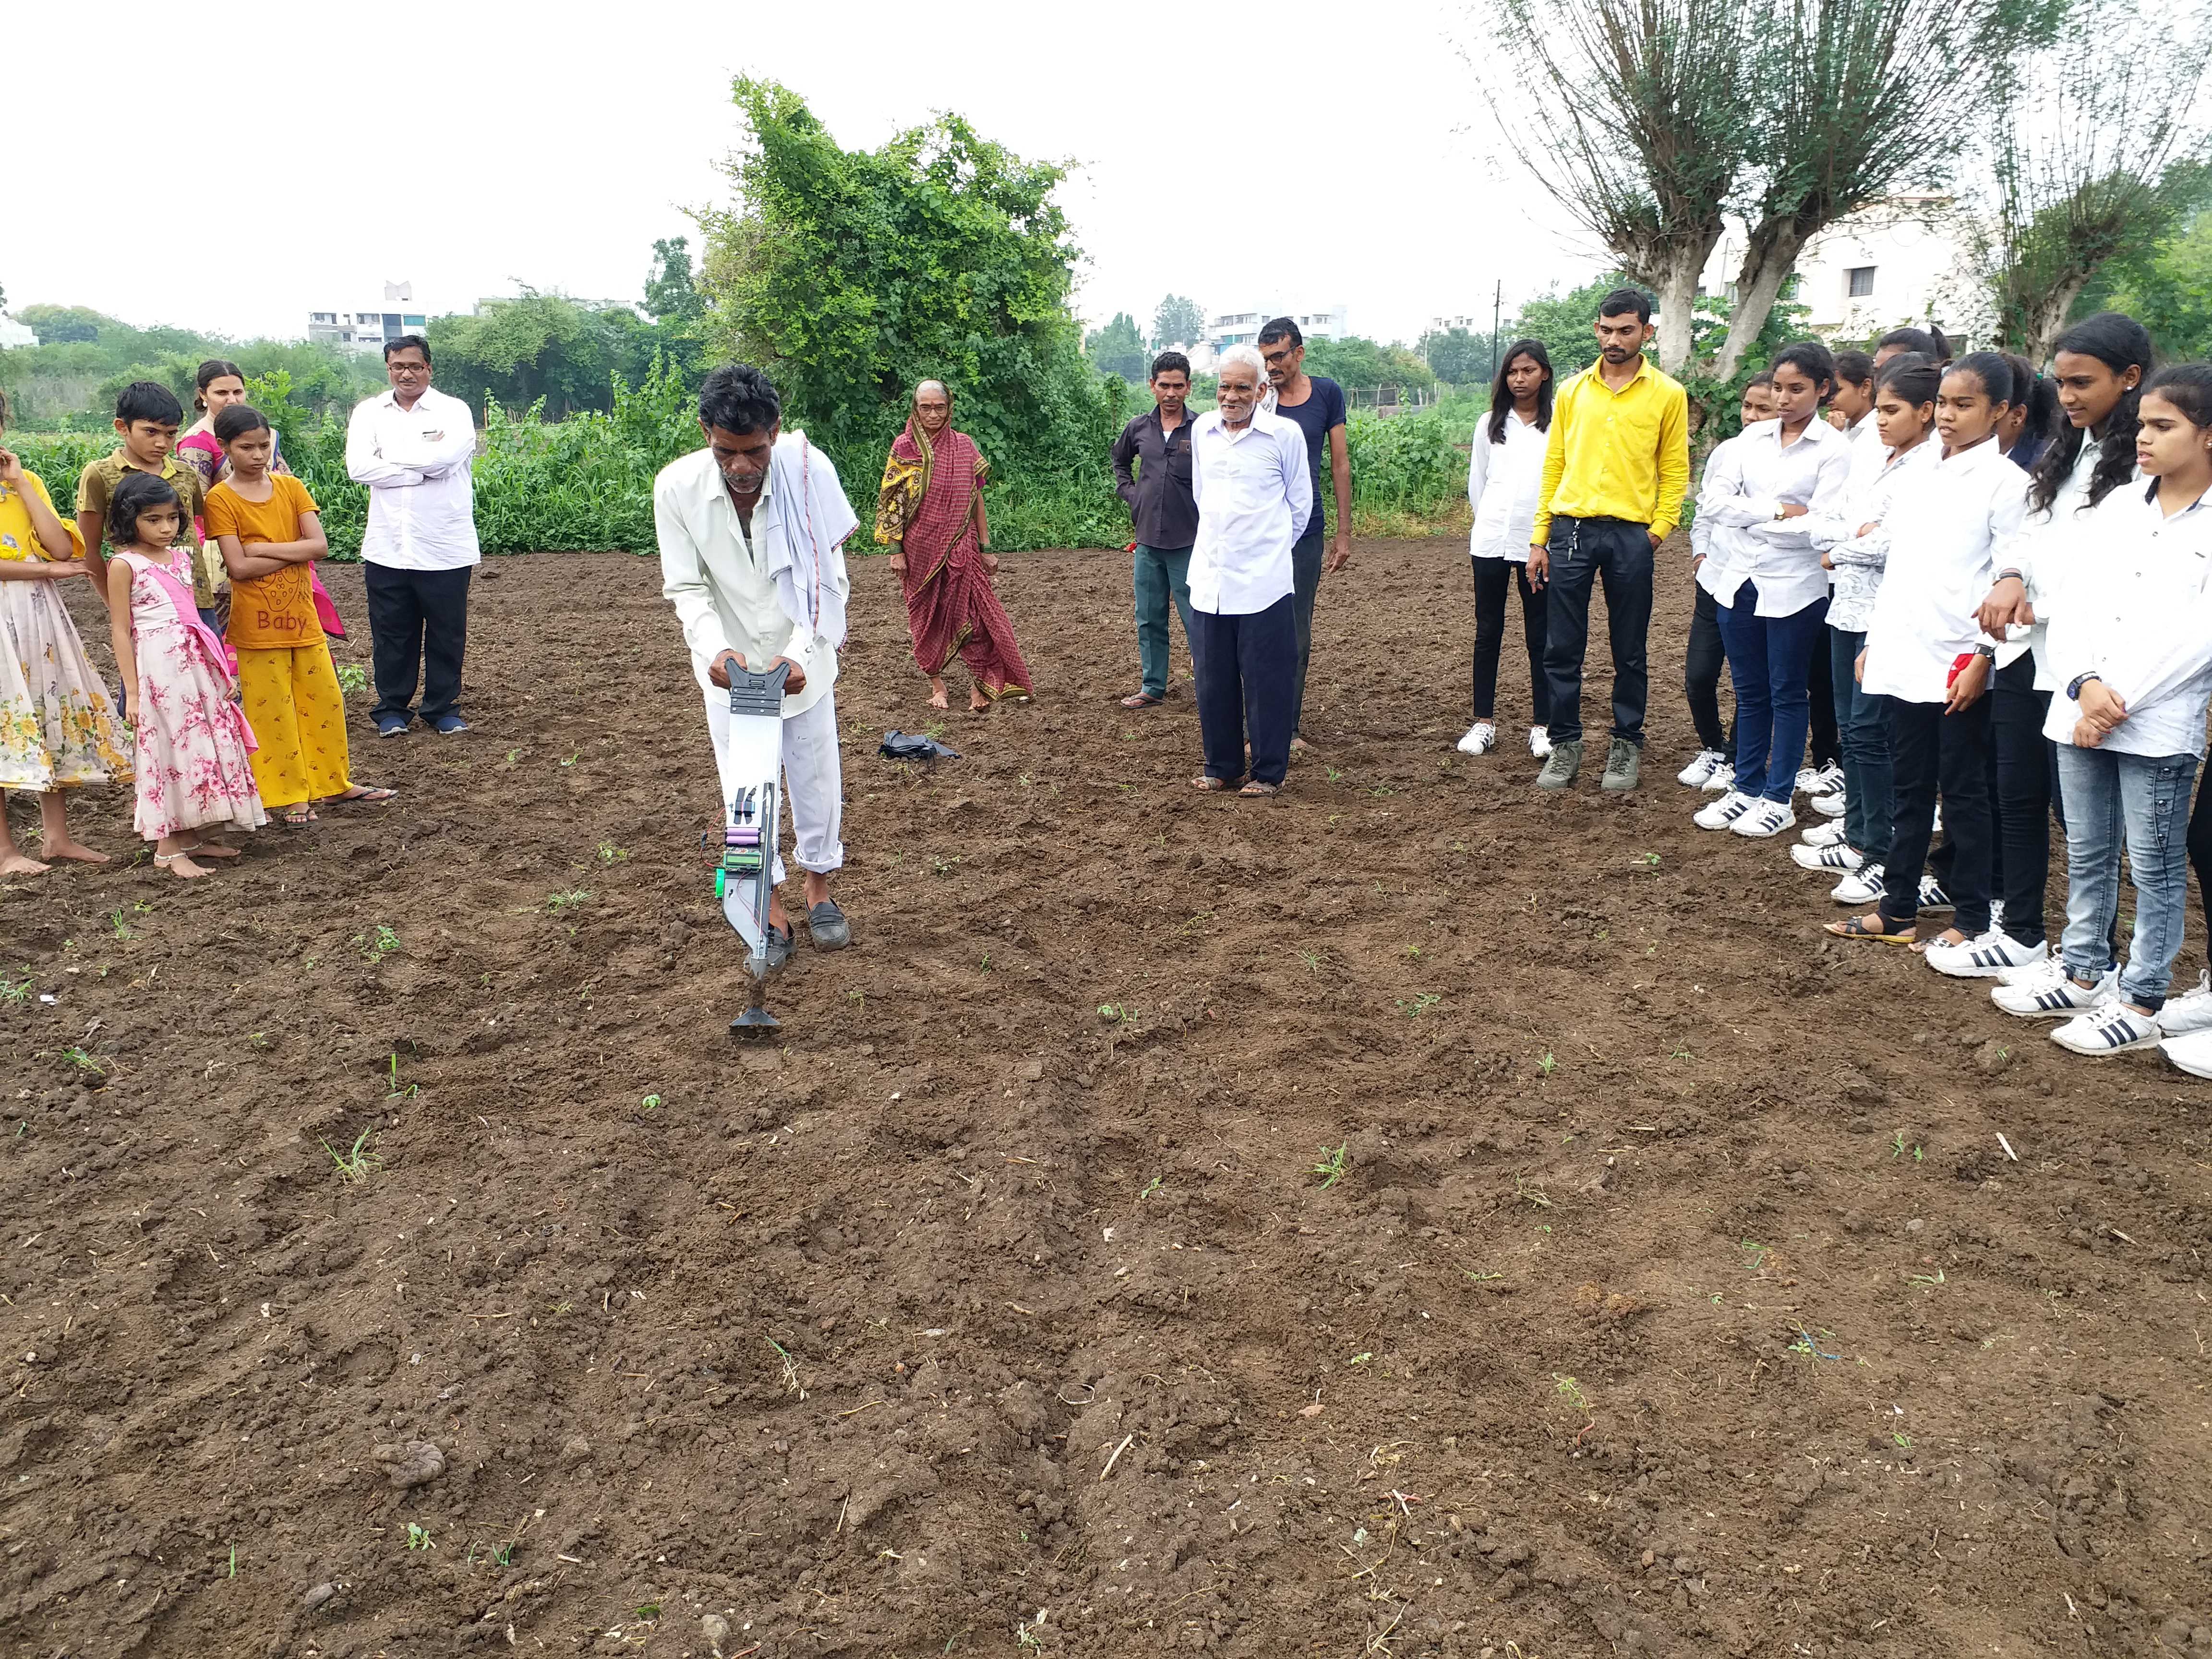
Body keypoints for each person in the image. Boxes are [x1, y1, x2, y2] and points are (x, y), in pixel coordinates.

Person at [1993, 365, 2212, 1055]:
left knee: (2154, 864)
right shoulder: (2121, 506)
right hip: (2081, 699)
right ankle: (2086, 969)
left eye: (2162, 426)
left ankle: (2144, 996)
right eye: (2143, 423)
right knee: (2087, 850)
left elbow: (2199, 634)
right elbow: (2077, 596)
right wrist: (2085, 681)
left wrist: (2120, 699)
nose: (2142, 438)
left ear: (2208, 436)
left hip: (2156, 718)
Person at [1964, 315, 2156, 982]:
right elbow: (2031, 531)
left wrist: (2038, 603)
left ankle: (2091, 954)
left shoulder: (2144, 467)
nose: (2068, 396)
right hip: (2028, 650)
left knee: (2081, 819)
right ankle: (2021, 933)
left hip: (2089, 664)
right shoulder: (2066, 450)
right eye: (2060, 382)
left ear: (2130, 379)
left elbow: (2120, 571)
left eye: (2084, 383)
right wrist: (2012, 576)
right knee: (2015, 792)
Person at [657, 363, 856, 958]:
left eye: (755, 452)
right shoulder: (676, 488)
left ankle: (819, 889)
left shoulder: (807, 473)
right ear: (705, 433)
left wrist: (798, 655)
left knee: (816, 780)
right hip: (730, 667)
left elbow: (830, 580)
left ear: (775, 433)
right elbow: (686, 588)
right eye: (726, 452)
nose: (741, 467)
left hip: (804, 662)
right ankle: (766, 899)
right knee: (743, 791)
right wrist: (716, 650)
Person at [1827, 353, 2024, 949]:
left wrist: (1982, 658)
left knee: (1963, 791)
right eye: (1946, 403)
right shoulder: (1919, 474)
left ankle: (1971, 917)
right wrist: (1879, 643)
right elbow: (1901, 571)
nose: (1950, 416)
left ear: (1999, 413)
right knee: (1910, 786)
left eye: (1967, 405)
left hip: (1959, 658)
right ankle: (1898, 908)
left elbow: (2011, 578)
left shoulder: (2008, 484)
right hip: (1905, 649)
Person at [1688, 342, 1854, 839]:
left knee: (1787, 692)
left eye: (1797, 389)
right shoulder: (1751, 440)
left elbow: (1821, 524)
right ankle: (1745, 786)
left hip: (1796, 587)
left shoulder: (1835, 451)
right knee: (1749, 690)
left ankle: (1777, 796)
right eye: (1779, 387)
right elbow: (1713, 503)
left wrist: (1752, 516)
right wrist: (1779, 510)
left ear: (1823, 390)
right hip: (1738, 581)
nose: (1783, 398)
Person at [1529, 287, 1691, 792]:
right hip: (1571, 531)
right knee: (1562, 647)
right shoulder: (1573, 392)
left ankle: (1626, 744)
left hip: (1632, 537)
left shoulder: (1668, 394)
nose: (1614, 339)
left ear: (1646, 331)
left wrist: (1658, 533)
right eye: (1606, 329)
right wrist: (1540, 537)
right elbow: (1554, 464)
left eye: (1625, 330)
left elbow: (1674, 469)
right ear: (1596, 329)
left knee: (1630, 648)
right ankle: (1566, 745)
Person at [1794, 353, 1940, 905]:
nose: (1880, 419)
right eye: (1878, 408)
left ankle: (1881, 849)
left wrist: (1843, 546)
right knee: (1854, 731)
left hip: (1889, 614)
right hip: (1846, 608)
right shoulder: (1872, 454)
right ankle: (1860, 837)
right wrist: (1844, 539)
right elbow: (1833, 521)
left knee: (1875, 733)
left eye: (1893, 410)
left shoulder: (1928, 468)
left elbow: (1892, 542)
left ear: (1925, 412)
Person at [206, 405, 394, 826]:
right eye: (246, 447)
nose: (257, 455)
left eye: (264, 445)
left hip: (303, 618)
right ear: (225, 448)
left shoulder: (291, 488)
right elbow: (238, 568)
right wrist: (289, 554)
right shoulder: (220, 499)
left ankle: (333, 784)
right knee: (271, 709)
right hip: (255, 626)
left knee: (323, 699)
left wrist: (260, 548)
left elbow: (320, 547)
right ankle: (288, 794)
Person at [104, 472, 264, 877]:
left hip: (194, 663)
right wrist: (135, 693)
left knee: (197, 741)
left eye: (173, 518)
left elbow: (192, 616)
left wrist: (217, 667)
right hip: (158, 668)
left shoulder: (180, 558)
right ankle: (166, 847)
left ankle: (192, 834)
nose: (165, 528)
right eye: (152, 519)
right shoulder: (124, 565)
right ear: (128, 520)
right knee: (166, 748)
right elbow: (121, 630)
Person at [0, 390, 130, 873]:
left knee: (46, 707)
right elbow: (55, 567)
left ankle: (57, 839)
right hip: (16, 606)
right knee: (5, 718)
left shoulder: (24, 480)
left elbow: (58, 547)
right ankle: (5, 851)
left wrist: (22, 486)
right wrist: (48, 574)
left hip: (36, 616)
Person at [1187, 345, 1310, 798]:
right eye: (1224, 386)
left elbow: (1300, 508)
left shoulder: (1284, 435)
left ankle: (1268, 772)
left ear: (1261, 390)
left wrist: (1265, 551)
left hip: (1264, 582)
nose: (1231, 396)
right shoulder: (1203, 431)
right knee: (1213, 678)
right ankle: (1221, 765)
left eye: (1242, 387)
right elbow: (1202, 496)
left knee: (1266, 679)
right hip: (1211, 578)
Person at [345, 336, 480, 738]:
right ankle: (392, 709)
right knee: (391, 633)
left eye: (415, 366)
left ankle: (443, 709)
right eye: (398, 366)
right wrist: (418, 469)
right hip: (387, 545)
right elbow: (359, 468)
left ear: (429, 369)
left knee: (446, 632)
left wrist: (390, 461)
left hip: (444, 545)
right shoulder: (369, 413)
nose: (407, 373)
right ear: (388, 368)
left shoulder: (454, 411)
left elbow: (445, 462)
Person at [876, 380, 1033, 712]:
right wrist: (896, 551)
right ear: (915, 409)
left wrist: (986, 547)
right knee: (925, 619)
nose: (933, 414)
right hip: (919, 550)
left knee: (977, 616)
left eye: (940, 407)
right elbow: (893, 503)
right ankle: (937, 685)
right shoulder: (903, 448)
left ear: (950, 408)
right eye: (926, 407)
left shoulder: (965, 447)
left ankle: (981, 683)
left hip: (962, 546)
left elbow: (977, 500)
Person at [178, 359, 345, 639]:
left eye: (238, 392)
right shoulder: (197, 442)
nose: (232, 400)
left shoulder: (263, 434)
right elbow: (199, 505)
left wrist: (273, 546)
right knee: (235, 634)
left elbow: (284, 481)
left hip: (278, 538)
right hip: (226, 546)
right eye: (222, 393)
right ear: (202, 395)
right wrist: (263, 547)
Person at [1256, 317, 1351, 748]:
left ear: (1299, 353)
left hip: (1305, 532)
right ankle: (1253, 724)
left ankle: (1288, 729)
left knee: (1296, 631)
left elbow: (1339, 464)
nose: (1271, 366)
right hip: (1260, 531)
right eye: (1265, 359)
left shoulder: (1327, 394)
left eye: (1278, 356)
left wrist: (1344, 532)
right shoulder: (1258, 398)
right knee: (1255, 626)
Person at [1678, 373, 1774, 792]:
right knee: (1699, 676)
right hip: (1714, 578)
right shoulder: (1726, 453)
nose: (1752, 416)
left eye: (1763, 409)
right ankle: (1714, 747)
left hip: (1758, 582)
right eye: (1748, 406)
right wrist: (1700, 553)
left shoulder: (1787, 462)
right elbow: (1705, 511)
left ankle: (1737, 756)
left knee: (1749, 679)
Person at [1460, 339, 1555, 759]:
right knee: (1487, 631)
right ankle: (1483, 722)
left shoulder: (1559, 425)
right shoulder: (1489, 424)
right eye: (1513, 372)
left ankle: (1543, 725)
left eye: (1529, 371)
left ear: (1545, 375)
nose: (1520, 379)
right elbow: (1478, 481)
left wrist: (1543, 537)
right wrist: (1488, 522)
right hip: (1491, 541)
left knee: (1541, 635)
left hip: (1538, 545)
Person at [75, 380, 210, 623]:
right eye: (151, 432)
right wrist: (118, 607)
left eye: (171, 434)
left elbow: (200, 530)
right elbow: (89, 550)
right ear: (122, 427)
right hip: (145, 607)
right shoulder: (101, 474)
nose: (162, 443)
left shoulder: (185, 474)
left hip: (197, 601)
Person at [1110, 352, 1198, 709]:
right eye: (1164, 385)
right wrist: (1132, 495)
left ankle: (1210, 682)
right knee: (1149, 616)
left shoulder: (1202, 429)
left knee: (1198, 616)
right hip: (1147, 539)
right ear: (1152, 386)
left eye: (1179, 385)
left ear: (1189, 387)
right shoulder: (1138, 427)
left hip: (1189, 541)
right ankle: (1153, 686)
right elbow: (1119, 460)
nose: (1171, 393)